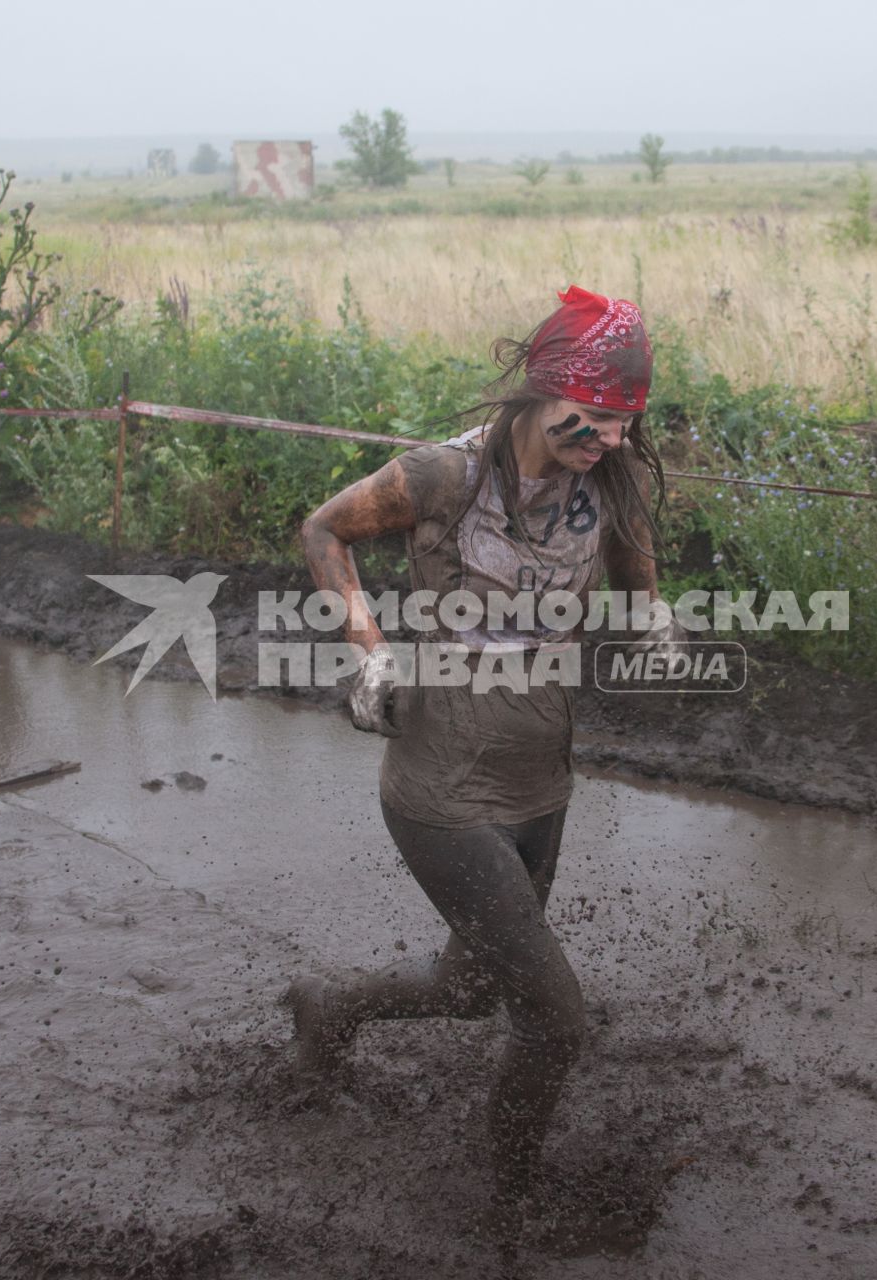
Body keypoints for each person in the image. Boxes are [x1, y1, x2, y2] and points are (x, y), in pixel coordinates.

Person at [285, 285, 676, 1227]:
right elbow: (322, 528)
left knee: (464, 989)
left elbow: (632, 547)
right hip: (442, 786)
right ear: (543, 394)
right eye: (597, 420)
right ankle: (507, 1208)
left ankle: (328, 1009)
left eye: (627, 425)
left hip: (541, 774)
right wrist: (369, 654)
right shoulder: (443, 478)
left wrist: (651, 609)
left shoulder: (606, 475)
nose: (612, 440)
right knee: (553, 1020)